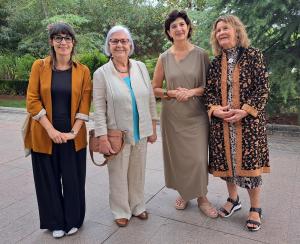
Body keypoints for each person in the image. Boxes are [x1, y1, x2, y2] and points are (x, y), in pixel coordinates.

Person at [24, 22, 92, 238]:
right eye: (58, 38)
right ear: (51, 42)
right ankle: (55, 223)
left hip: (74, 136)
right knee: (48, 181)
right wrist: (51, 130)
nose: (63, 42)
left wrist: (73, 131)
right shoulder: (39, 66)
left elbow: (85, 103)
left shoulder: (82, 71)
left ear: (73, 43)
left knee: (73, 180)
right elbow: (32, 100)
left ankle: (73, 219)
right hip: (44, 135)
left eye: (67, 38)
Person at [204, 15, 270, 231]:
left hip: (248, 124)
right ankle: (233, 200)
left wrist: (244, 111)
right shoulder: (215, 64)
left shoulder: (254, 55)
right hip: (222, 125)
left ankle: (255, 208)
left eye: (225, 28)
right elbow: (210, 92)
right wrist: (215, 110)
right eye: (218, 30)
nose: (221, 32)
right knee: (227, 165)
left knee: (250, 167)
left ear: (237, 31)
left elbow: (262, 88)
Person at [152, 10, 218, 218]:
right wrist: (170, 93)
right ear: (169, 32)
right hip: (172, 116)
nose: (178, 29)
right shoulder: (163, 58)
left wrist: (191, 92)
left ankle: (202, 197)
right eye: (174, 27)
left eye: (182, 24)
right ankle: (184, 193)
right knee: (179, 159)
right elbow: (154, 88)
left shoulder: (201, 54)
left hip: (196, 115)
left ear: (188, 27)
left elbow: (210, 86)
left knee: (198, 158)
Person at [93, 25, 158, 227]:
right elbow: (98, 108)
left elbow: (150, 99)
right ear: (108, 46)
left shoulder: (139, 67)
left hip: (141, 131)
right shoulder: (101, 73)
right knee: (118, 173)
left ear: (130, 44)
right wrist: (102, 137)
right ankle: (120, 210)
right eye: (115, 41)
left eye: (124, 41)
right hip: (116, 134)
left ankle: (138, 205)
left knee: (138, 172)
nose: (120, 45)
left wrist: (153, 127)